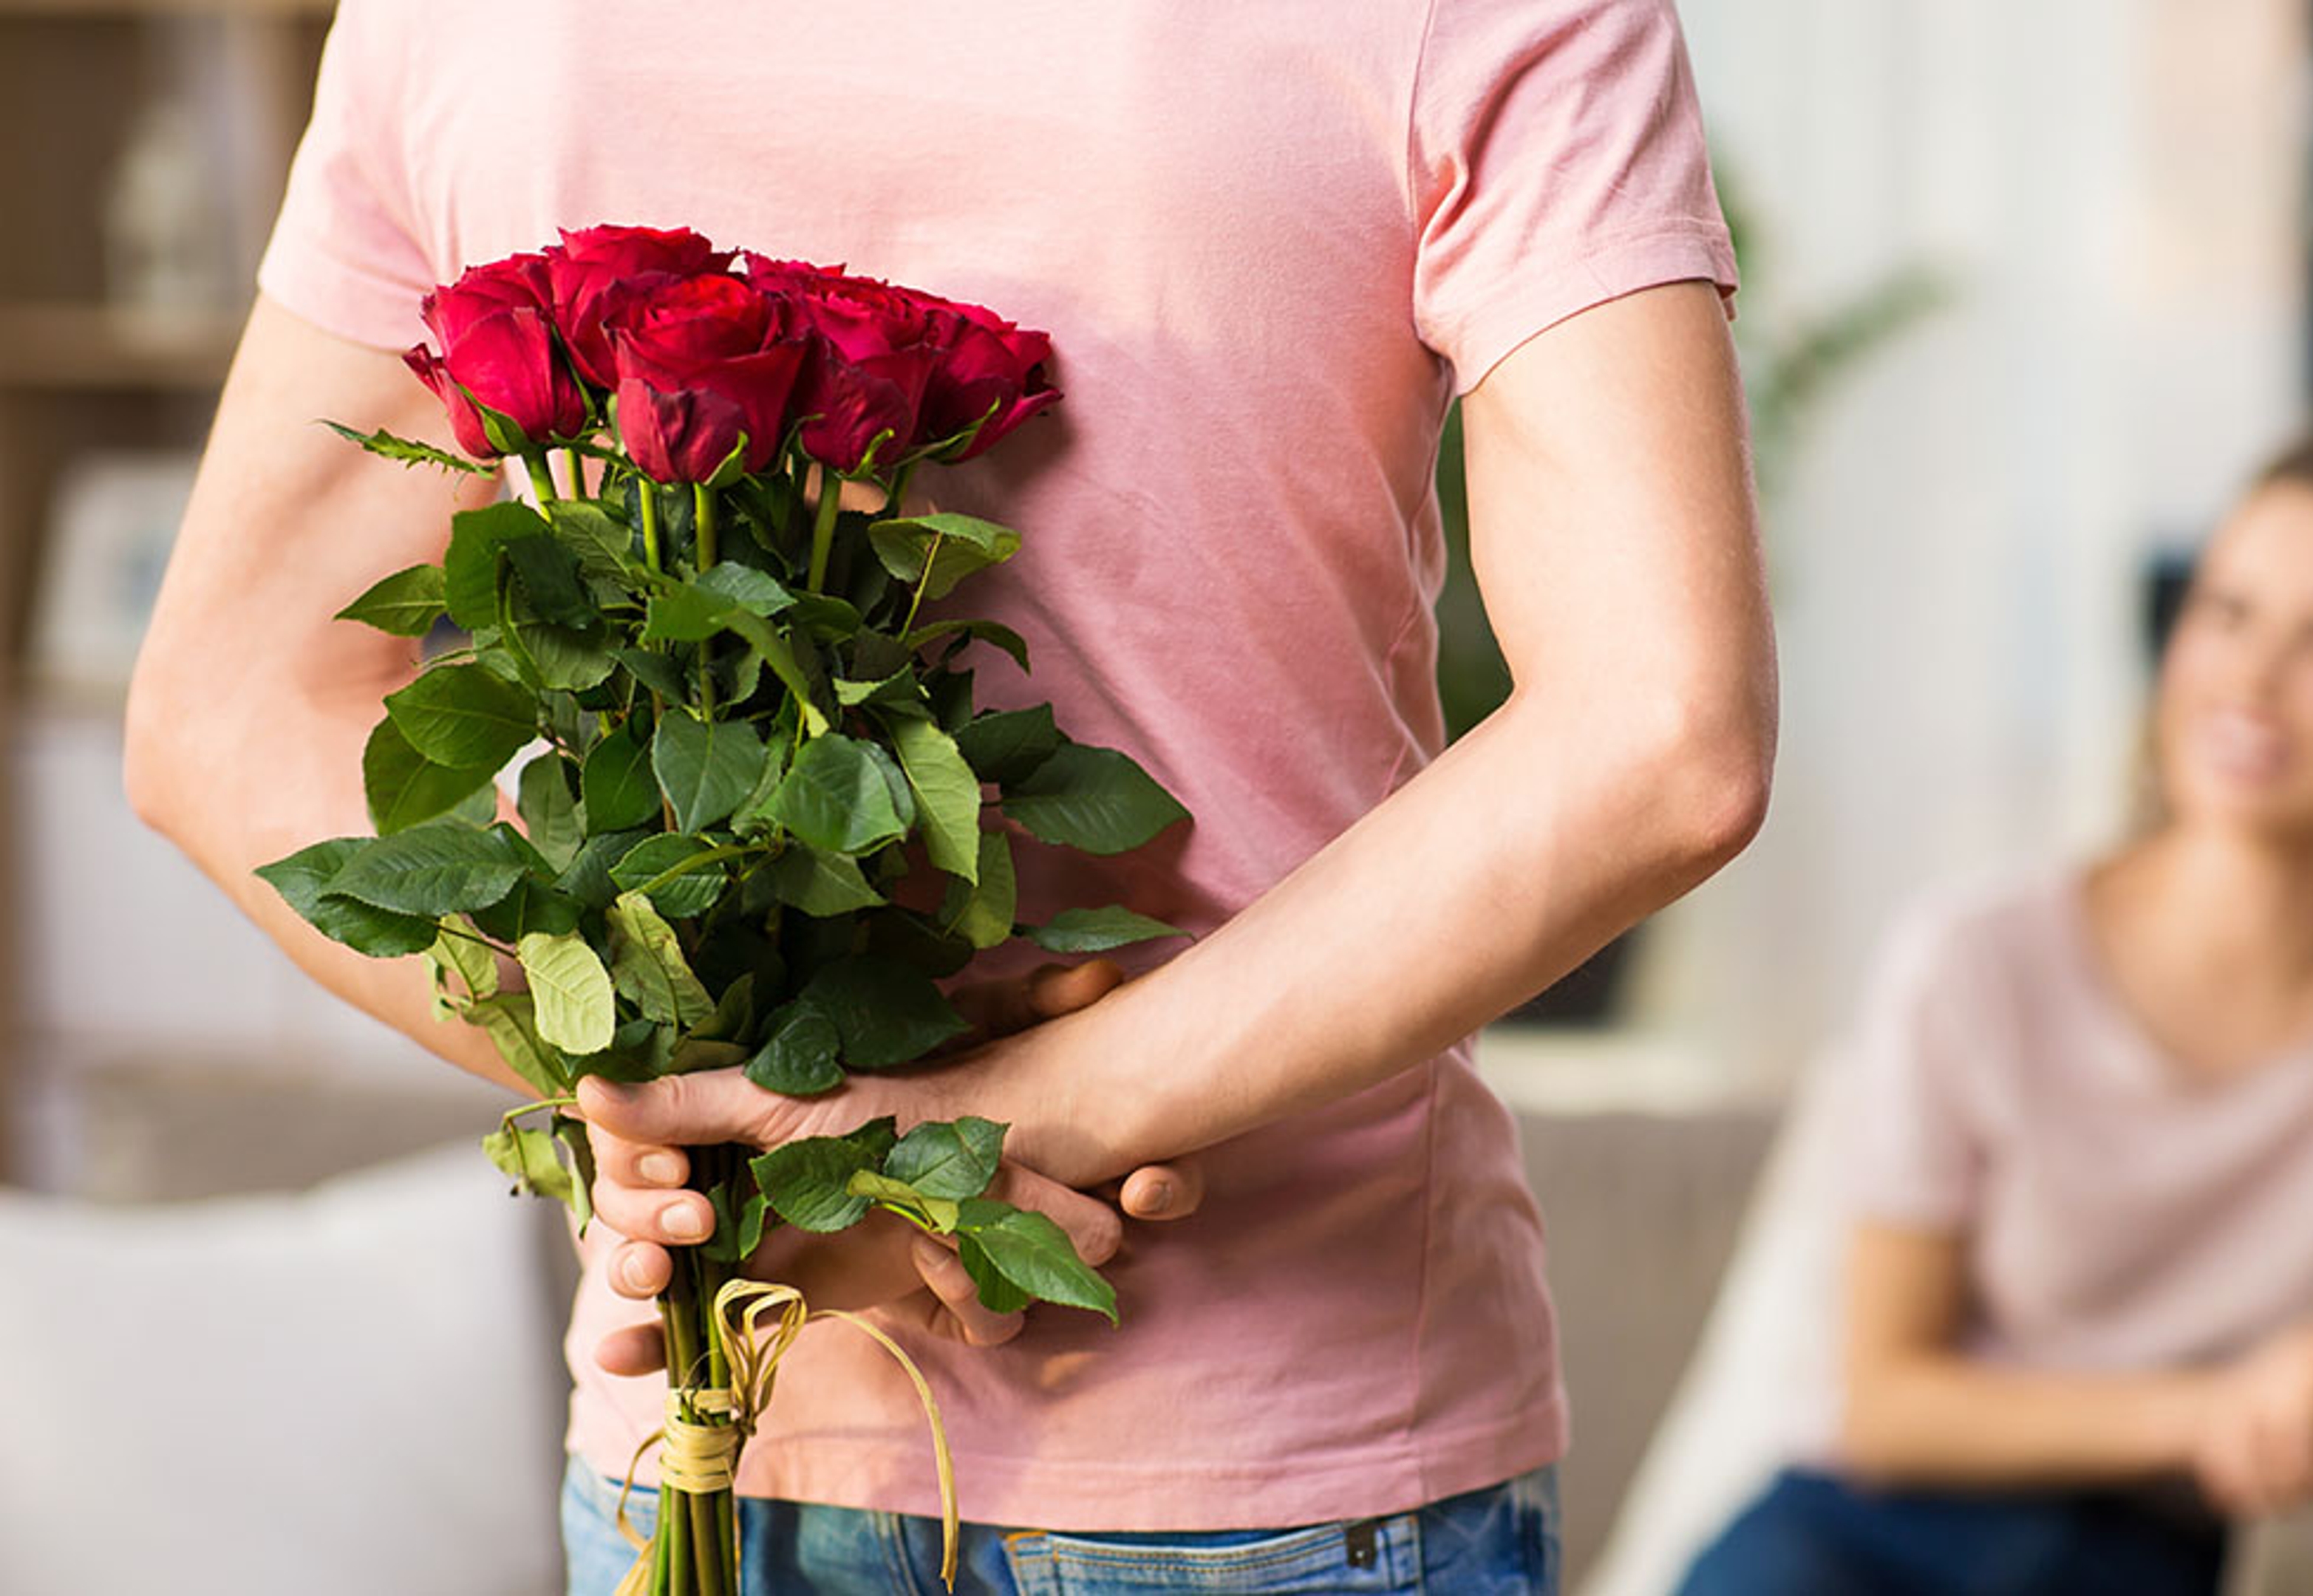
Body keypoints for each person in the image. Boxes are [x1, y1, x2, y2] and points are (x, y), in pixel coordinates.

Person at [124, 2, 1776, 1592]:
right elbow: (1656, 726)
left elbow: (229, 705)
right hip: (1263, 1448)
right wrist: (953, 1127)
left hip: (739, 1413)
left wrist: (690, 1104)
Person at [1681, 424, 2313, 1596]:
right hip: (1870, 1535)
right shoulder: (1975, 965)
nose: (2249, 678)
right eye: (2227, 611)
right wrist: (2210, 1412)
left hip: (2158, 1555)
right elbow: (1883, 1404)